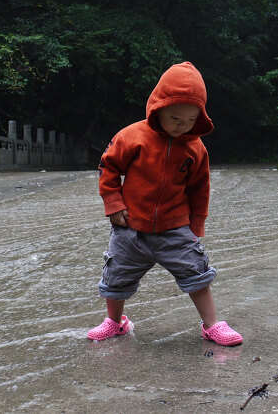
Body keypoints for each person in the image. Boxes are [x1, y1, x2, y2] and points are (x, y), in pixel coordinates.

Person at [87, 61, 242, 346]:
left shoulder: (195, 148)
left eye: (190, 120)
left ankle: (211, 325)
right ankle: (115, 322)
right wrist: (112, 202)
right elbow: (108, 168)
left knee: (197, 274)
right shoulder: (131, 137)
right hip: (130, 227)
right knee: (115, 278)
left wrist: (196, 225)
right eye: (175, 118)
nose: (182, 126)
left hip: (175, 228)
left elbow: (200, 189)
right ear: (157, 108)